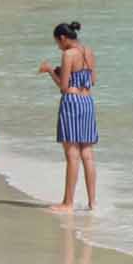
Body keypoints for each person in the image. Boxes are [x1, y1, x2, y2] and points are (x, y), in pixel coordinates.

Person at [39, 21, 99, 214]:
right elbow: (93, 80)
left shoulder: (68, 54)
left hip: (72, 102)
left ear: (63, 38)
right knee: (87, 155)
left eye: (57, 42)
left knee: (72, 155)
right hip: (88, 102)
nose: (58, 46)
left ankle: (68, 203)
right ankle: (92, 202)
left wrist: (50, 71)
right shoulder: (88, 51)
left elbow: (64, 87)